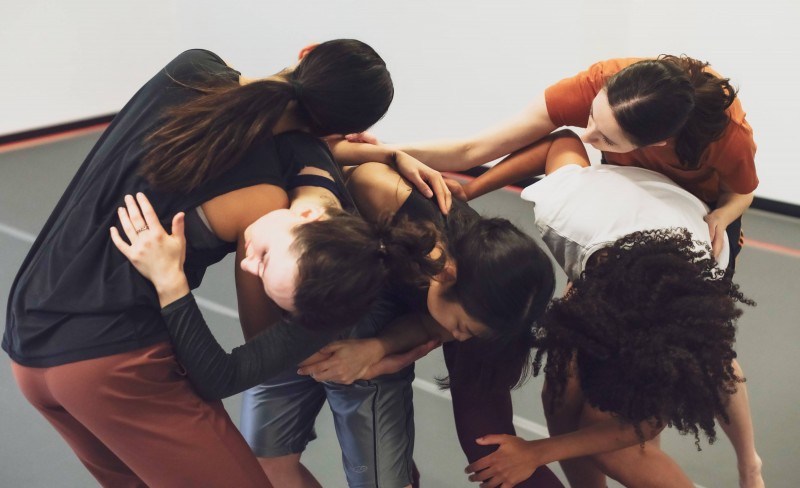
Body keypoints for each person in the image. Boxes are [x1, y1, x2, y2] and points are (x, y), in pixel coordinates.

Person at [3, 41, 445, 488]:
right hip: (111, 364)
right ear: (341, 130)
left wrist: (379, 152)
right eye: (266, 259)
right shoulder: (266, 196)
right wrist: (381, 153)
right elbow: (248, 348)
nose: (249, 264)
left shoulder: (191, 68)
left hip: (27, 336)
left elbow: (302, 146)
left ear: (305, 56)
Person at [112, 159, 563, 488]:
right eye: (462, 327)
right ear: (445, 274)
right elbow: (320, 160)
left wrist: (380, 350)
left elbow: (436, 326)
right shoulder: (378, 195)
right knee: (268, 459)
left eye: (467, 335)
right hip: (346, 296)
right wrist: (383, 155)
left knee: (481, 450)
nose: (456, 337)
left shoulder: (476, 303)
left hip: (401, 312)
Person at [449, 130, 759, 488]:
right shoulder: (568, 212)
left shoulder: (686, 311)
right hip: (613, 234)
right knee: (561, 392)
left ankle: (750, 464)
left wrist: (538, 452)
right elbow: (560, 141)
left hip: (688, 247)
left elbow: (644, 421)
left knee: (614, 442)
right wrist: (469, 190)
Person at [381, 54, 757, 267]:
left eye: (606, 139)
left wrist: (721, 217)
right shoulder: (598, 84)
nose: (588, 138)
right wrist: (382, 151)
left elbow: (740, 194)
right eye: (591, 117)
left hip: (698, 212)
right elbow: (472, 151)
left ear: (659, 142)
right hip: (626, 187)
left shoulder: (725, 135)